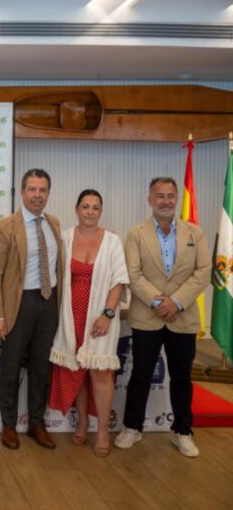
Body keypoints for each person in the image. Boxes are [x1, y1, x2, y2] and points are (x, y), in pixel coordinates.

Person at [115, 177, 211, 457]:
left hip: (183, 317)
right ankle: (132, 428)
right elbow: (133, 275)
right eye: (160, 196)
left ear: (176, 199)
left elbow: (203, 271)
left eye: (170, 196)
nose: (166, 201)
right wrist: (160, 302)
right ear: (150, 200)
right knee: (141, 374)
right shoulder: (136, 234)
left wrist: (177, 302)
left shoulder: (195, 233)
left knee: (182, 377)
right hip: (148, 315)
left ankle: (182, 431)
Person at [0, 168, 63, 450]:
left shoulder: (53, 223)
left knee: (41, 368)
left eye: (43, 190)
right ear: (22, 192)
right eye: (32, 189)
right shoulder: (6, 226)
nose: (37, 195)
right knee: (10, 368)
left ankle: (36, 423)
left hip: (49, 302)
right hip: (19, 304)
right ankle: (8, 425)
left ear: (48, 194)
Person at [48, 189, 128, 457]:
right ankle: (81, 422)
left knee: (100, 372)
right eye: (85, 206)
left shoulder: (113, 241)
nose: (90, 211)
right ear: (76, 209)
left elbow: (119, 281)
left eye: (95, 207)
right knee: (78, 369)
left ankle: (103, 430)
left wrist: (107, 314)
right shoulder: (65, 238)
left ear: (101, 211)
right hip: (70, 316)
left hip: (100, 317)